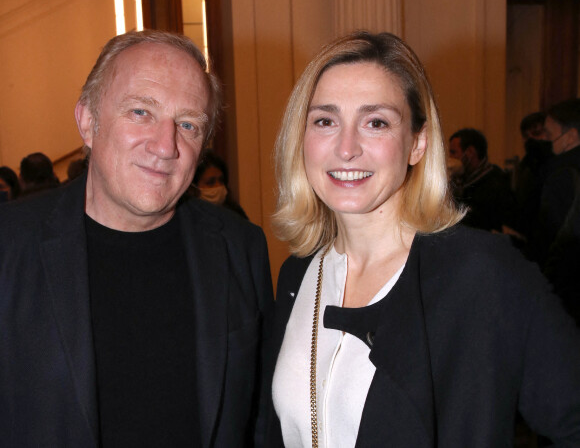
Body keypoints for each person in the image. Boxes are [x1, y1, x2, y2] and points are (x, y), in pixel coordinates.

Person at [259, 31, 580, 447]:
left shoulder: (483, 274)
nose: (346, 148)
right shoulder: (296, 275)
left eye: (376, 122)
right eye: (325, 120)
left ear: (417, 143)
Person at [0, 30, 273, 447]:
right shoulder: (9, 245)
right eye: (141, 112)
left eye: (188, 124)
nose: (166, 147)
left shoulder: (240, 246)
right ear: (88, 122)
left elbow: (260, 420)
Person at [528, 98, 580, 323]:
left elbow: (549, 239)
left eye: (549, 135)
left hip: (567, 290)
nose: (545, 142)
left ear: (570, 137)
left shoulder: (561, 174)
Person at [448, 128, 518, 233]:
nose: (450, 158)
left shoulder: (494, 184)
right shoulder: (462, 181)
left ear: (470, 152)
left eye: (453, 152)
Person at [191, 150, 248, 219]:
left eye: (221, 181)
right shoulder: (187, 219)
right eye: (210, 182)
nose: (218, 186)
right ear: (193, 188)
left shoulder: (236, 214)